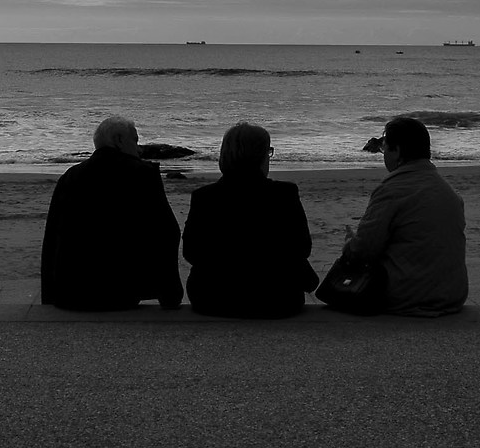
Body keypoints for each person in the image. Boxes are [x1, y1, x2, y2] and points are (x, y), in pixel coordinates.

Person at [40, 116, 183, 311]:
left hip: (71, 294)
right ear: (119, 140)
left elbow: (52, 238)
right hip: (120, 293)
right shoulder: (141, 173)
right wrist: (170, 296)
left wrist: (50, 296)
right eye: (135, 140)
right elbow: (165, 234)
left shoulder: (70, 176)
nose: (139, 149)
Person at [333, 116, 466, 317]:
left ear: (397, 151)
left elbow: (364, 250)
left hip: (408, 295)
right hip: (453, 294)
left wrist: (349, 244)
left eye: (385, 148)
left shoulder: (392, 190)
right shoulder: (449, 192)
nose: (384, 154)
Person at [182, 123, 316, 318]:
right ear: (260, 156)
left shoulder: (204, 197)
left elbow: (191, 252)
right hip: (278, 298)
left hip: (211, 298)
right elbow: (302, 248)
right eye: (268, 152)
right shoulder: (284, 194)